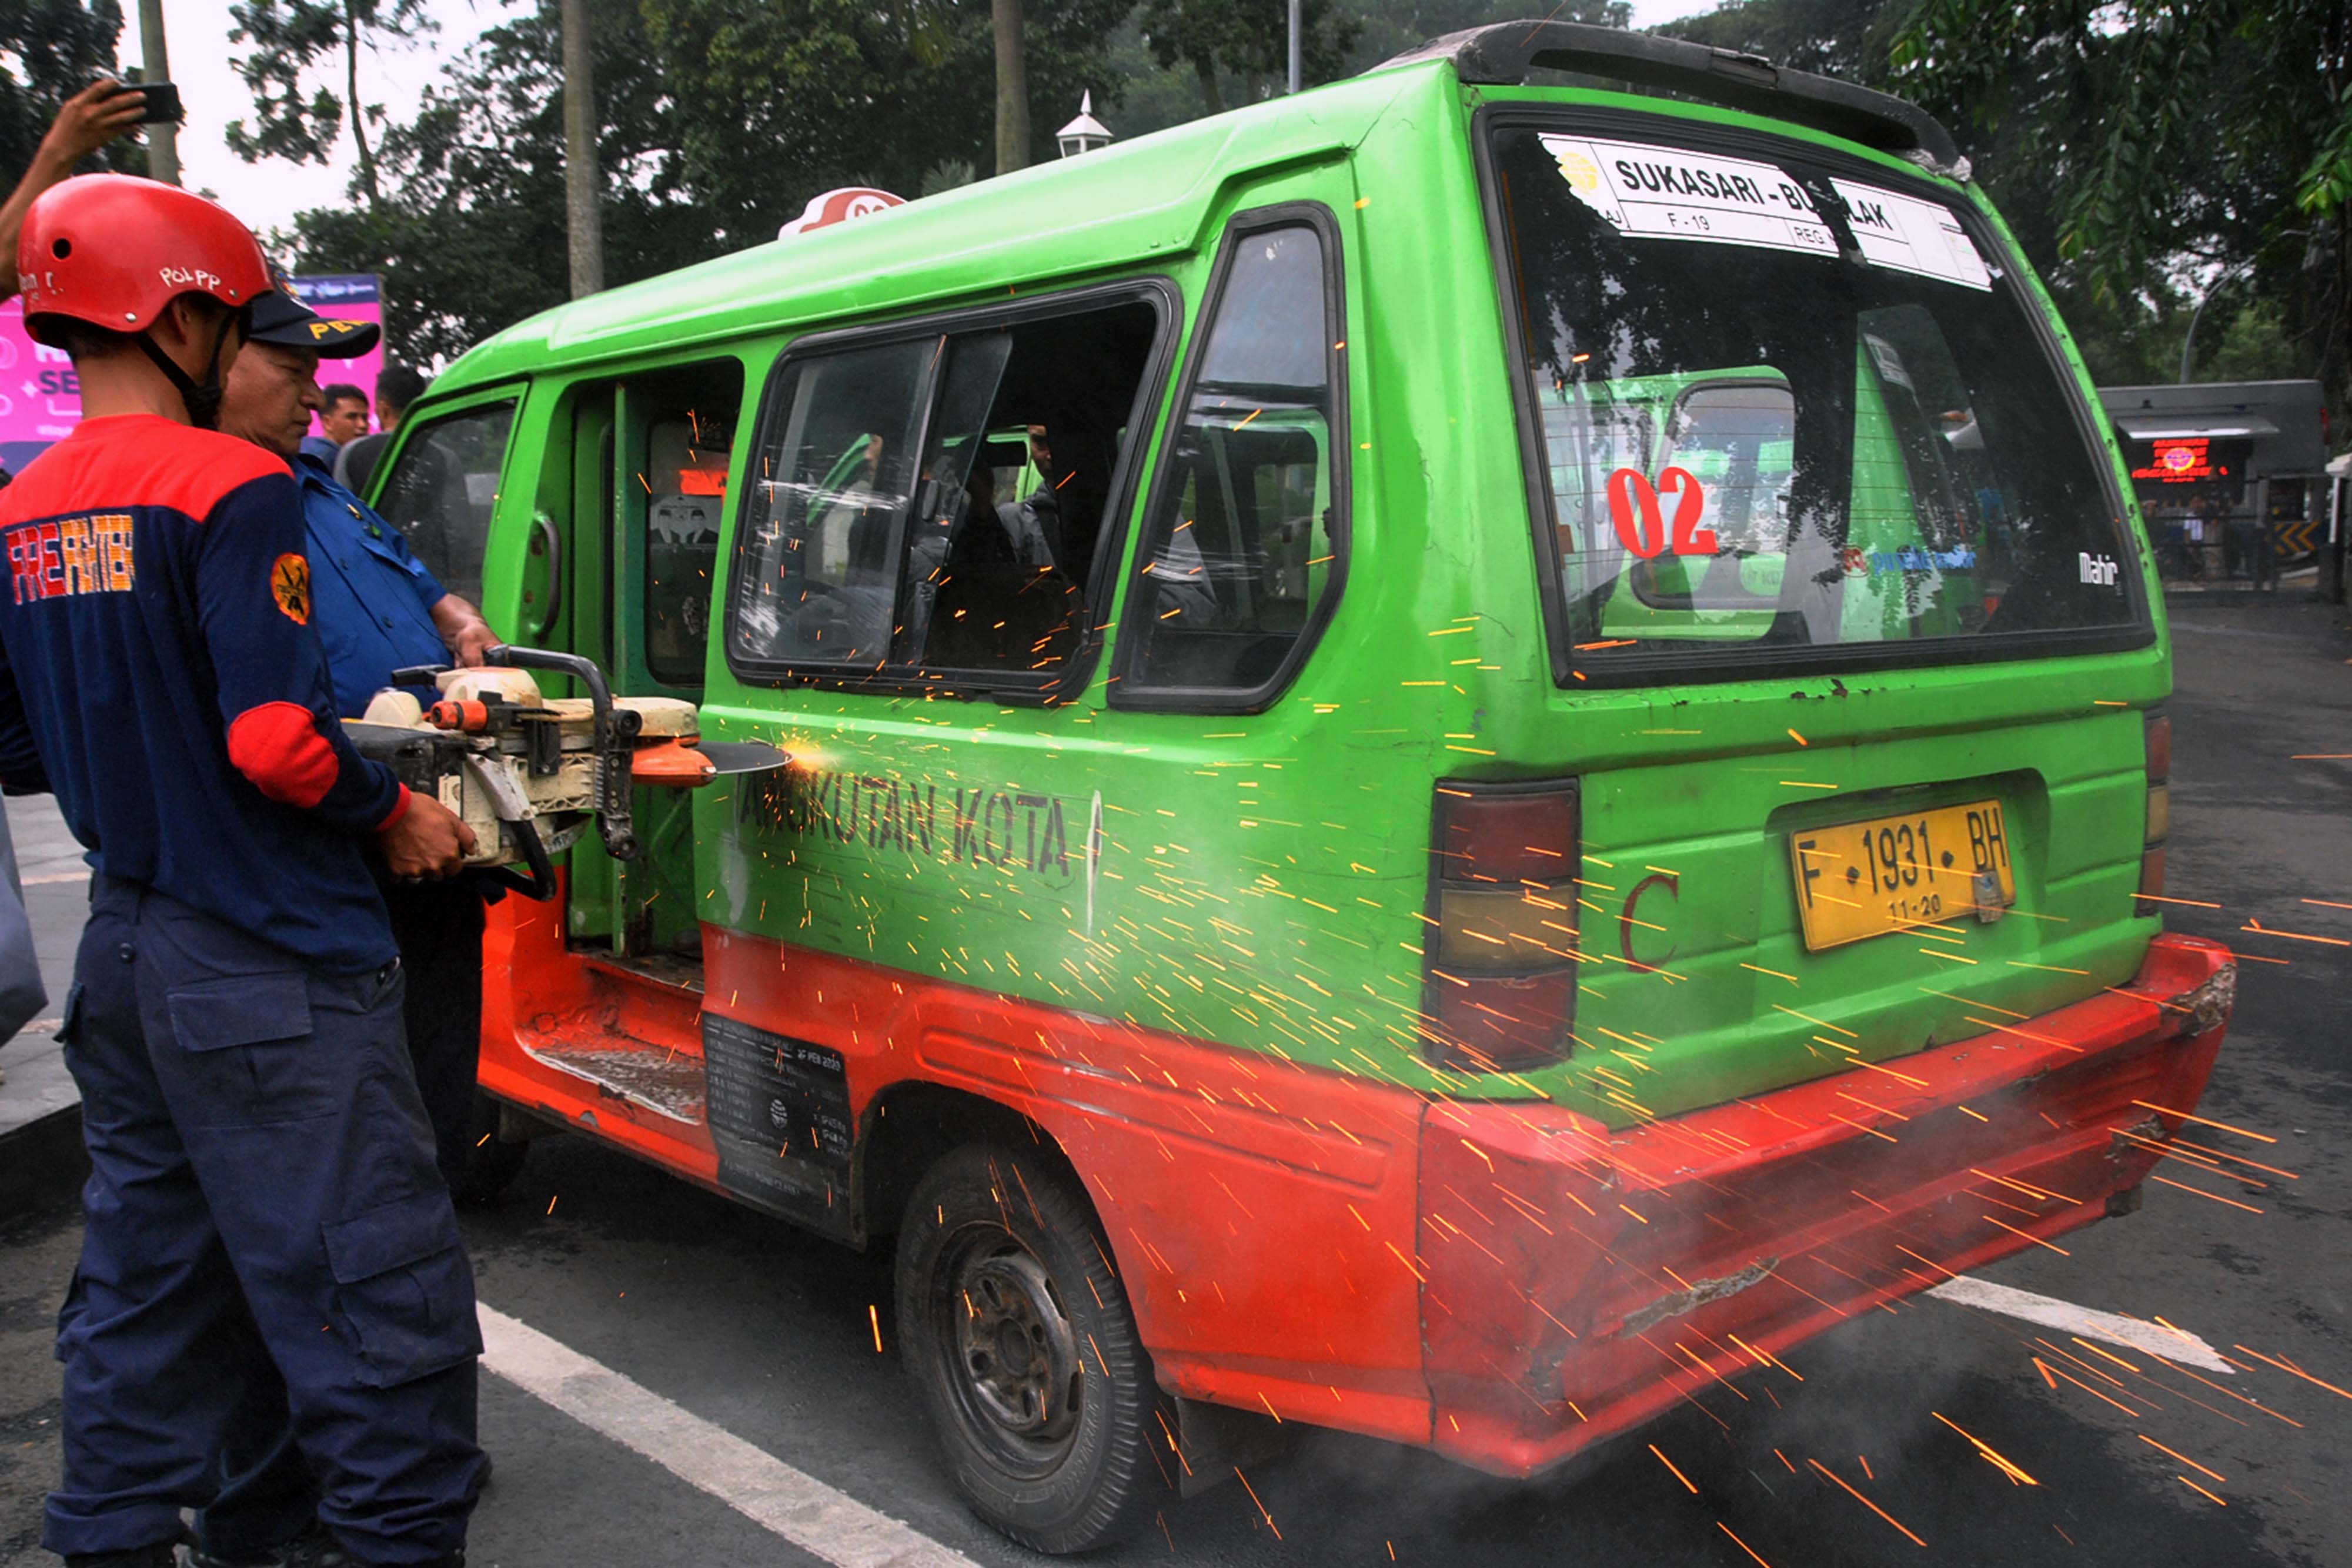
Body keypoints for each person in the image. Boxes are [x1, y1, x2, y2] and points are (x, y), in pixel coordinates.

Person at [0, 173, 483, 1568]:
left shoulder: (24, 505)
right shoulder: (232, 486)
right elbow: (276, 743)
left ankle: (121, 1540)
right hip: (270, 957)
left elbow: (17, 742)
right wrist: (388, 808)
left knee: (152, 1296)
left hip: (129, 955)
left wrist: (134, 741)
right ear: (182, 319)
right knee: (382, 1305)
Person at [334, 363, 425, 494]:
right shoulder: (445, 456)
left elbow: (343, 508)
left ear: (383, 409)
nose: (362, 425)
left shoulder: (352, 452)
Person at [300, 383, 369, 465]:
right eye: (352, 417)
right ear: (327, 422)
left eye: (365, 418)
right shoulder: (321, 461)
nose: (363, 425)